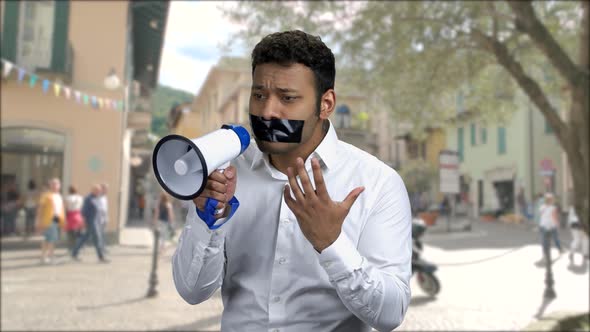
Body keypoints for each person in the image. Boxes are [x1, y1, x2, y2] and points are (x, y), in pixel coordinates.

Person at [172, 30, 412, 332]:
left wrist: (331, 243)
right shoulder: (226, 172)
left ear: (325, 104)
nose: (268, 111)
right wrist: (209, 221)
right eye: (259, 95)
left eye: (287, 98)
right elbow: (192, 292)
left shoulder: (378, 183)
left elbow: (390, 313)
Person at [71, 184, 108, 263]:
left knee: (84, 238)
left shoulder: (98, 198)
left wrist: (103, 219)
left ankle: (74, 253)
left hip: (97, 221)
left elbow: (101, 209)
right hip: (91, 221)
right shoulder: (88, 199)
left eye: (99, 190)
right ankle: (101, 257)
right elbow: (83, 212)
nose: (98, 191)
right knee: (97, 238)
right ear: (92, 190)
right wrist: (83, 222)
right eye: (96, 190)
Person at [35, 178, 65, 264]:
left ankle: (43, 257)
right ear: (50, 185)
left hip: (56, 219)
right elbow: (40, 208)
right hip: (48, 219)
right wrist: (38, 220)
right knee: (52, 239)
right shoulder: (46, 195)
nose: (55, 186)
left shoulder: (59, 196)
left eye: (57, 184)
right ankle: (51, 257)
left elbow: (60, 209)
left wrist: (62, 221)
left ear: (59, 186)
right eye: (53, 184)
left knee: (47, 239)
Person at [539, 193, 563, 261]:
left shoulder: (542, 207)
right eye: (552, 199)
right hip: (551, 225)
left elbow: (541, 215)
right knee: (555, 238)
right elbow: (554, 217)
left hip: (543, 225)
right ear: (551, 200)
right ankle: (560, 250)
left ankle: (544, 254)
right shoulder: (553, 208)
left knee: (544, 240)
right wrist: (558, 224)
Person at [152, 191, 175, 257]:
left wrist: (154, 221)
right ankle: (162, 249)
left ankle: (161, 248)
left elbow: (156, 213)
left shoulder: (159, 204)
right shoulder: (168, 204)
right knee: (164, 236)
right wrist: (172, 222)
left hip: (159, 221)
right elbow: (171, 214)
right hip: (165, 222)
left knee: (160, 235)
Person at [65, 185, 85, 251]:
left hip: (70, 215)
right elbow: (82, 207)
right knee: (79, 232)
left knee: (70, 233)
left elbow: (66, 207)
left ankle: (71, 248)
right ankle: (80, 246)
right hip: (78, 215)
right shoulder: (80, 198)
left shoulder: (68, 198)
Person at [96, 183, 109, 254]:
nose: (107, 190)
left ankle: (103, 247)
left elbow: (105, 208)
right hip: (99, 218)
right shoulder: (98, 197)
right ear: (102, 189)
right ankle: (100, 248)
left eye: (107, 189)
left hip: (104, 218)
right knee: (99, 234)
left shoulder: (104, 197)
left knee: (103, 234)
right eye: (106, 189)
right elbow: (99, 208)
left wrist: (107, 217)